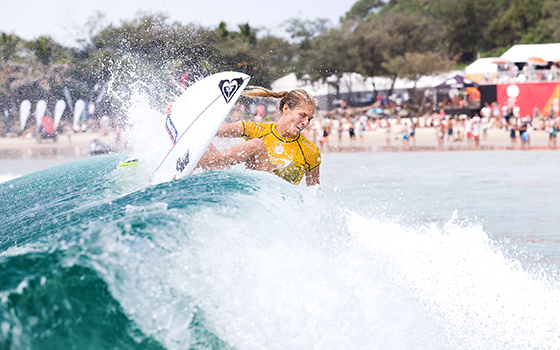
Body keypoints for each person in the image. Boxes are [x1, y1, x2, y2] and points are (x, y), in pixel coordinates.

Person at [166, 86, 321, 186]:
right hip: (247, 193)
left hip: (274, 201)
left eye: (309, 118)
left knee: (257, 145)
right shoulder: (257, 129)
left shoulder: (310, 151)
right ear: (286, 109)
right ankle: (177, 173)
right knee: (207, 142)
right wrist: (182, 113)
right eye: (302, 115)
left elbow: (314, 193)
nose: (306, 122)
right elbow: (211, 129)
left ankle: (196, 161)